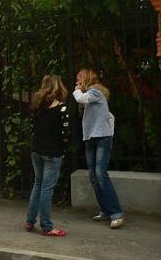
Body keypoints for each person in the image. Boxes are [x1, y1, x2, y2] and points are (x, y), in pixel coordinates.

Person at [73, 69, 125, 229]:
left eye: (79, 79)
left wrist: (77, 90)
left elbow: (80, 98)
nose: (77, 82)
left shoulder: (95, 91)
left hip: (102, 138)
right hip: (91, 138)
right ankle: (106, 210)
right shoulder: (92, 96)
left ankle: (116, 213)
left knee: (100, 175)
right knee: (94, 176)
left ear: (86, 79)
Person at [25, 75, 70, 237]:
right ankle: (47, 226)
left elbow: (32, 128)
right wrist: (64, 146)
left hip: (37, 149)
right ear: (59, 87)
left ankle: (30, 221)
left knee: (38, 184)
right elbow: (66, 133)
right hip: (53, 151)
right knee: (47, 188)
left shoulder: (37, 107)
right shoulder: (62, 108)